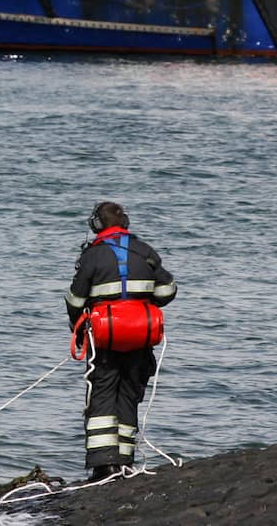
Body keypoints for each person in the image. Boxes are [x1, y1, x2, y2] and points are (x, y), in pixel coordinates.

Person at [65, 202, 176, 482]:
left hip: (104, 337)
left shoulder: (93, 255)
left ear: (97, 225)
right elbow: (167, 290)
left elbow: (75, 300)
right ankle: (125, 463)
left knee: (102, 393)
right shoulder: (144, 250)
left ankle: (104, 467)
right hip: (140, 336)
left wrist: (78, 331)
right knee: (129, 393)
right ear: (124, 222)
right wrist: (141, 302)